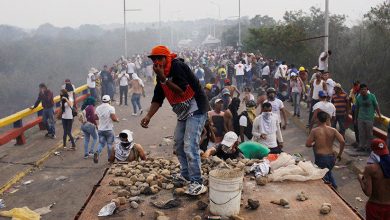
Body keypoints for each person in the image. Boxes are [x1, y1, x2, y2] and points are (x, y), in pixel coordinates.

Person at [141, 45, 209, 196]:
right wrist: (148, 116)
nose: (157, 62)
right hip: (183, 111)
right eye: (154, 59)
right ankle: (185, 175)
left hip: (196, 106)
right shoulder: (160, 75)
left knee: (190, 144)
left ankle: (197, 182)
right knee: (178, 143)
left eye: (160, 58)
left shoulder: (177, 66)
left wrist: (164, 78)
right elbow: (158, 98)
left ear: (167, 58)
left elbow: (181, 90)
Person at [306, 111, 345, 189]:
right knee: (328, 172)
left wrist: (314, 143)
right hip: (331, 157)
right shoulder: (333, 130)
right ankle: (334, 187)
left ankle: (332, 193)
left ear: (318, 119)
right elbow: (342, 141)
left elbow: (307, 144)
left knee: (324, 178)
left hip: (321, 158)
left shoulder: (315, 131)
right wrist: (339, 154)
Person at [358, 138, 390, 220]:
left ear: (373, 152)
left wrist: (360, 180)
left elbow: (368, 192)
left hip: (374, 207)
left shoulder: (370, 169)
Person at [202, 132, 269, 160]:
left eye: (229, 144)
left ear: (236, 143)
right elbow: (211, 150)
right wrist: (207, 153)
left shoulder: (238, 154)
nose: (226, 146)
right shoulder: (220, 146)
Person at [355, 84, 382, 152]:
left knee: (369, 133)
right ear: (360, 90)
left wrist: (379, 115)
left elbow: (376, 106)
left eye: (365, 89)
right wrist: (355, 118)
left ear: (367, 90)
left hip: (369, 118)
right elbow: (357, 109)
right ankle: (361, 146)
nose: (363, 90)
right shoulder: (358, 98)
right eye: (362, 89)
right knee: (361, 133)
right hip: (360, 118)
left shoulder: (372, 96)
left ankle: (369, 147)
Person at [94, 95, 119, 163]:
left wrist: (102, 117)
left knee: (101, 143)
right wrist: (117, 120)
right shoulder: (111, 108)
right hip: (109, 129)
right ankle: (109, 159)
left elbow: (95, 117)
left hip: (100, 129)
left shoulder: (98, 108)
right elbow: (113, 118)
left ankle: (97, 152)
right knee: (109, 144)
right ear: (109, 101)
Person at [349, 81, 361, 147]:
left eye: (357, 85)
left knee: (359, 127)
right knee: (355, 125)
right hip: (354, 110)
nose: (356, 87)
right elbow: (350, 100)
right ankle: (357, 141)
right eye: (355, 85)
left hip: (359, 111)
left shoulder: (362, 92)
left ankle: (360, 142)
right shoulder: (353, 91)